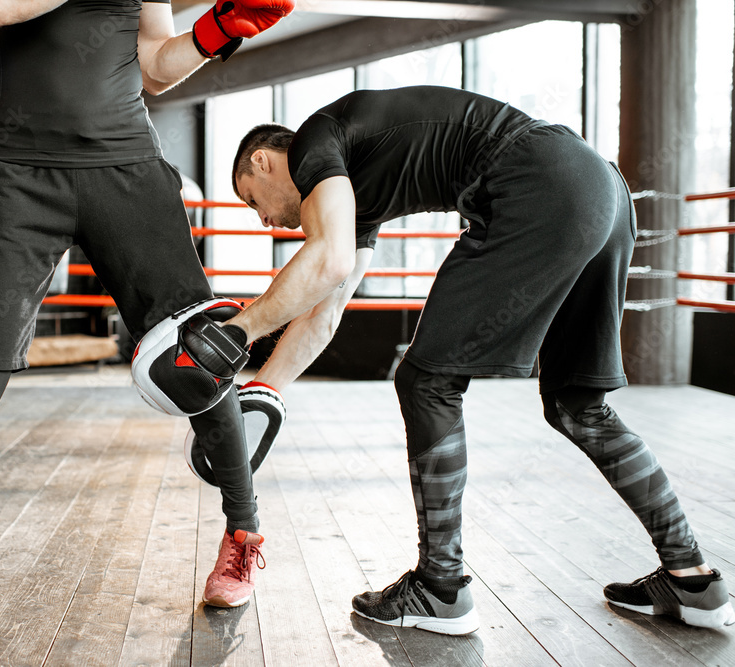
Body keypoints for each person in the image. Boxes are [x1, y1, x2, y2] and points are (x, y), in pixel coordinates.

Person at [223, 85, 735, 635]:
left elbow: (326, 261)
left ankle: (440, 587)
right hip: (597, 187)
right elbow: (325, 314)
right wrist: (259, 396)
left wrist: (232, 333)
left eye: (253, 200)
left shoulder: (313, 142)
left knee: (426, 382)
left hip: (536, 178)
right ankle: (690, 575)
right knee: (577, 405)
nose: (263, 221)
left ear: (266, 160)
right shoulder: (351, 198)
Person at [0, 0, 292, 664]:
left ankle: (243, 536)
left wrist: (217, 30)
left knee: (202, 354)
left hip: (125, 164)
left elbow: (155, 67)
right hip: (17, 174)